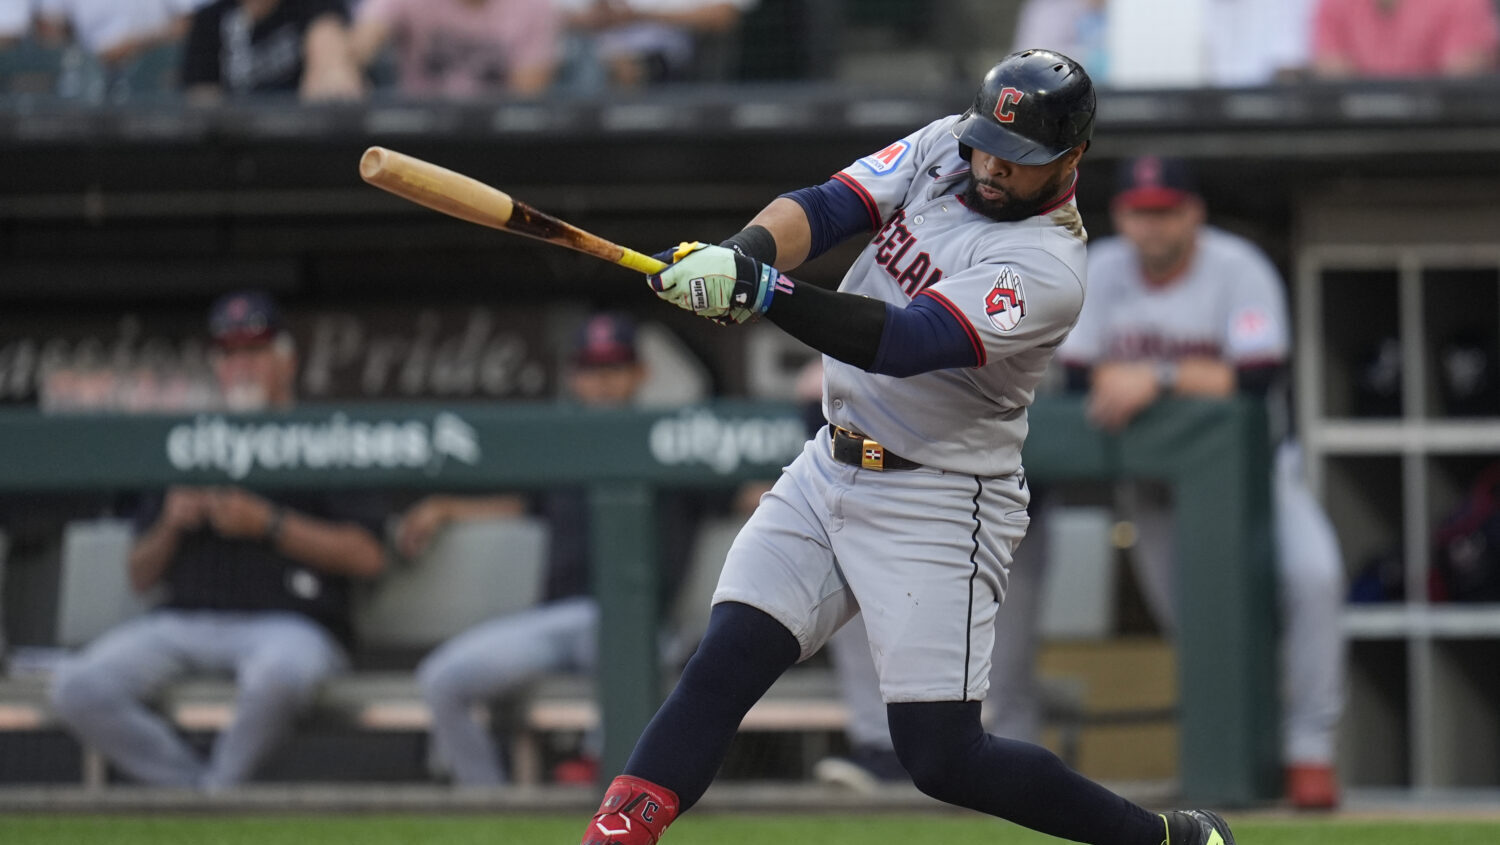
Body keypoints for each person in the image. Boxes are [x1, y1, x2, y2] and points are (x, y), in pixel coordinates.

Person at [575, 50, 1235, 845]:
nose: (991, 165)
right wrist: (742, 253)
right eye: (987, 142)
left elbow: (905, 340)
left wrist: (765, 292)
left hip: (941, 497)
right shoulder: (944, 149)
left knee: (943, 757)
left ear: (1072, 158)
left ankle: (1162, 839)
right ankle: (615, 834)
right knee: (726, 660)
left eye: (1017, 158)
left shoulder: (1048, 264)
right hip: (829, 467)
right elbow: (827, 206)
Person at [1057, 155, 1346, 810]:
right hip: (1155, 483)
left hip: (1257, 470)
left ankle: (1310, 748)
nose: (1151, 225)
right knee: (1198, 621)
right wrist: (1186, 381)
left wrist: (1153, 379)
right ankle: (1231, 761)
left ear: (1194, 212)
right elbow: (1079, 383)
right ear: (1121, 215)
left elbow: (1253, 379)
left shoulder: (1237, 266)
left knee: (1314, 578)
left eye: (1165, 210)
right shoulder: (1100, 268)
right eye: (1139, 210)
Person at [48, 290, 388, 790]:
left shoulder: (322, 436)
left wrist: (269, 524)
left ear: (286, 361)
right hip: (183, 623)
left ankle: (216, 797)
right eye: (230, 354)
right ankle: (198, 797)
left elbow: (369, 555)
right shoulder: (188, 440)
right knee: (75, 686)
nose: (241, 366)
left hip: (289, 625)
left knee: (278, 677)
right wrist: (170, 521)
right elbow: (139, 575)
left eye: (254, 351)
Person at [399, 312, 734, 786]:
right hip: (557, 622)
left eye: (613, 367)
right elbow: (518, 503)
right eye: (591, 369)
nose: (601, 382)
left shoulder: (672, 441)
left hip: (642, 629)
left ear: (640, 373)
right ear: (574, 377)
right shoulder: (561, 445)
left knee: (640, 655)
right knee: (441, 678)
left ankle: (598, 764)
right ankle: (488, 810)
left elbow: (746, 488)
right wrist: (445, 508)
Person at [349, 0, 560, 99]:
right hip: (418, 135)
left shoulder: (536, 6)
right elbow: (361, 44)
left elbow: (525, 101)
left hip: (497, 143)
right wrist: (348, 67)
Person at [180, 0, 363, 101]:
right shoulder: (209, 21)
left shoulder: (315, 5)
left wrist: (332, 72)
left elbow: (332, 71)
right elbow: (202, 105)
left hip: (303, 146)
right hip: (236, 151)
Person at [559, 0, 755, 88]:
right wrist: (596, 18)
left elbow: (723, 16)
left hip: (666, 65)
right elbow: (547, 14)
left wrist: (639, 16)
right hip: (587, 55)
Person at [1310, 0, 1500, 79]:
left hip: (1437, 138)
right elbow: (1333, 77)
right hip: (1355, 140)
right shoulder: (1334, 5)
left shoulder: (1463, 4)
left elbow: (1461, 85)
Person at [35, 0, 196, 68]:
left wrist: (136, 44)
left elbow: (189, 23)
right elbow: (49, 27)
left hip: (152, 67)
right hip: (90, 73)